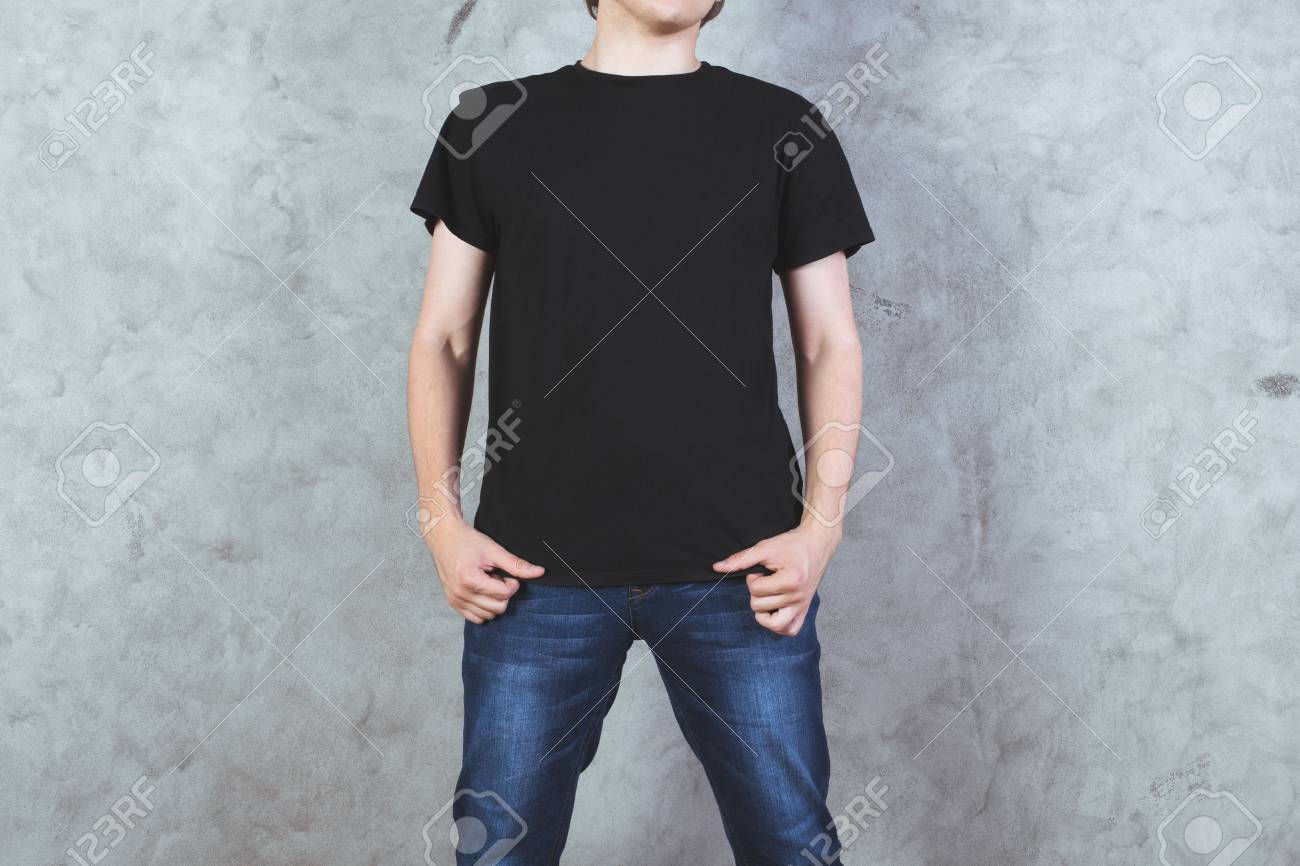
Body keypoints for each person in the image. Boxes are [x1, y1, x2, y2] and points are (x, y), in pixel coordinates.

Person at [408, 1, 873, 862]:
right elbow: (445, 337)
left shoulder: (785, 127)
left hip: (742, 572)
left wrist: (822, 528)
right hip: (533, 577)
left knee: (793, 849)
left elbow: (828, 340)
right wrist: (442, 523)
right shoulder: (489, 121)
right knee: (496, 855)